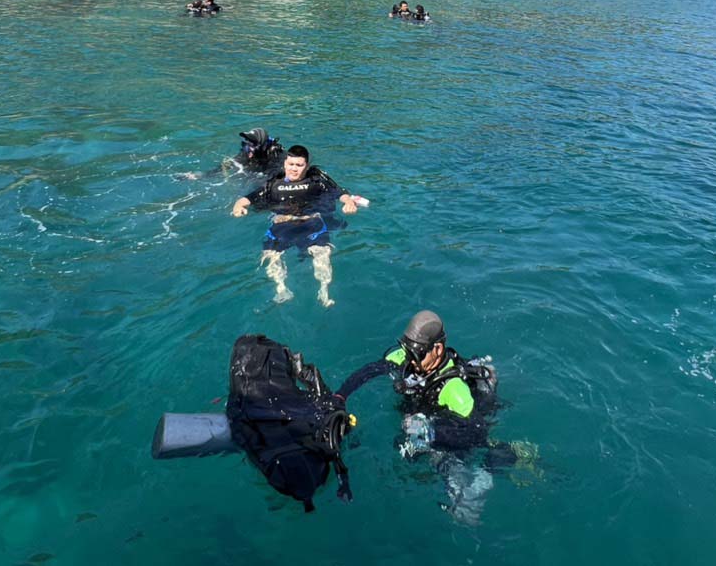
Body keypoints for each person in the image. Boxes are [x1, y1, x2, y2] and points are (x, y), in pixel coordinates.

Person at [335, 310, 511, 524]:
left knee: (446, 465)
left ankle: (485, 477)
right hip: (421, 420)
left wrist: (432, 432)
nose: (410, 360)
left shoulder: (454, 390)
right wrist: (340, 396)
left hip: (450, 428)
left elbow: (477, 432)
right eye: (407, 351)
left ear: (437, 349)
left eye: (416, 354)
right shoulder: (407, 357)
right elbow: (369, 371)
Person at [231, 145, 362, 307]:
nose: (294, 169)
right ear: (285, 164)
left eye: (299, 165)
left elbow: (340, 193)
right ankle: (281, 289)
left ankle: (324, 291)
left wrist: (349, 203)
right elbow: (247, 199)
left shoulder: (316, 182)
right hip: (281, 228)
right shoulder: (273, 185)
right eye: (291, 164)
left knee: (322, 253)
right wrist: (238, 207)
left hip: (311, 226)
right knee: (271, 255)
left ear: (306, 166)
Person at [181, 128, 286, 181]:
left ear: (262, 145)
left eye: (252, 143)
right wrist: (201, 175)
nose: (249, 147)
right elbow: (229, 164)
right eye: (247, 142)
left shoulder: (277, 157)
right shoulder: (247, 153)